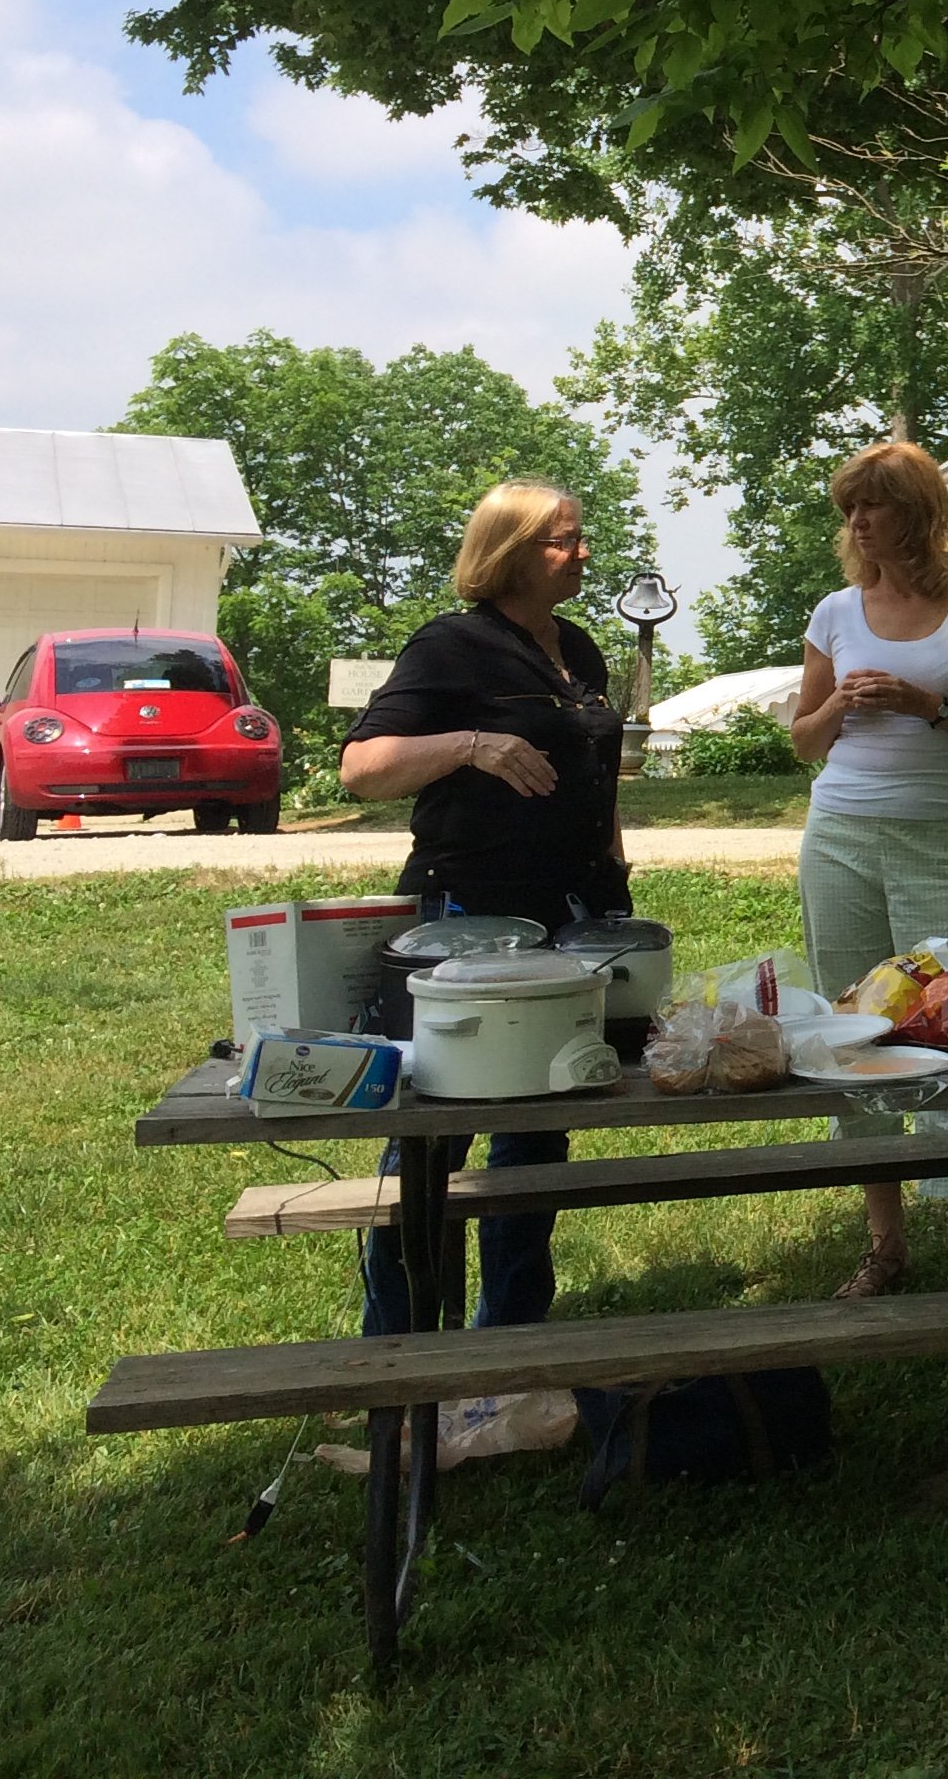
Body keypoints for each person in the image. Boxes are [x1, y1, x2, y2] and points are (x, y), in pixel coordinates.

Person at [338, 479, 630, 1333]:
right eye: (563, 540)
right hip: (467, 920)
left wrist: (614, 878)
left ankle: (509, 1342)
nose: (582, 552)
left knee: (541, 1123)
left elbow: (595, 778)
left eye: (579, 537)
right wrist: (472, 744)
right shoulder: (451, 646)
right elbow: (362, 768)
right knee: (434, 1132)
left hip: (572, 917)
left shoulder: (578, 650)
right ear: (509, 553)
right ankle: (399, 1350)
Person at [791, 440, 948, 1297]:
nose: (858, 522)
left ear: (919, 512)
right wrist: (837, 703)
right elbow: (803, 741)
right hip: (839, 834)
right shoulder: (835, 612)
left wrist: (927, 705)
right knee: (852, 1032)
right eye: (850, 508)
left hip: (940, 834)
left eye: (874, 505)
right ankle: (884, 1243)